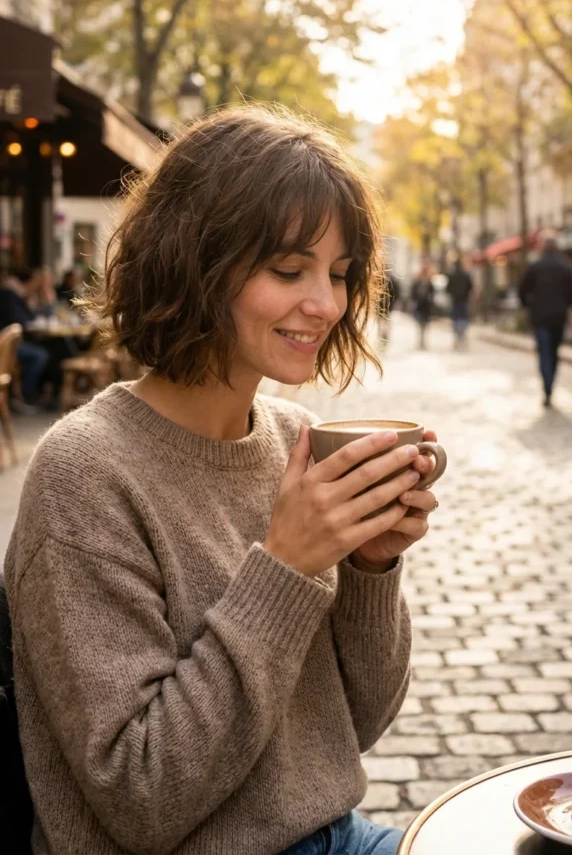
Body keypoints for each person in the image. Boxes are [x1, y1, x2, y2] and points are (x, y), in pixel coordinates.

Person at [5, 108, 441, 855]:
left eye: (339, 275)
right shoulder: (85, 474)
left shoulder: (286, 442)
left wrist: (370, 566)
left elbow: (353, 726)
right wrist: (286, 566)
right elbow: (140, 797)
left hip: (334, 835)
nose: (328, 305)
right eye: (288, 269)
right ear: (195, 260)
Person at [519, 230, 572, 407]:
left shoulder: (535, 266)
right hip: (558, 316)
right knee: (554, 352)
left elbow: (523, 290)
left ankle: (547, 386)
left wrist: (527, 306)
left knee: (544, 353)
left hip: (540, 317)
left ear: (543, 246)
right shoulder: (565, 266)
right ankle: (550, 385)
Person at [0, 273, 49, 405]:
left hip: (18, 341)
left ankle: (37, 393)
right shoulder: (9, 295)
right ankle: (24, 396)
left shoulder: (24, 297)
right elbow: (21, 320)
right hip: (8, 346)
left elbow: (32, 317)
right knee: (40, 355)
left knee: (46, 350)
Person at [446, 257, 473, 349]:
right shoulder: (466, 275)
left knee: (456, 319)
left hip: (455, 301)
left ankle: (458, 337)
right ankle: (462, 335)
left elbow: (448, 288)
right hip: (464, 300)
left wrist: (453, 294)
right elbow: (470, 286)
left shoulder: (451, 276)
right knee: (463, 319)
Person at [410, 262, 434, 350]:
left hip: (426, 307)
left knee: (425, 325)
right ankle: (420, 341)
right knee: (419, 324)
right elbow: (413, 294)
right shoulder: (416, 284)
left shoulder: (430, 284)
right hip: (419, 307)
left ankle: (423, 341)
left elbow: (432, 294)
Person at [377, 270, 401, 349]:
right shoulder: (378, 280)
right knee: (380, 324)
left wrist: (392, 304)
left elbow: (396, 294)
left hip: (388, 307)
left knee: (385, 324)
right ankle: (381, 338)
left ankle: (385, 339)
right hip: (379, 307)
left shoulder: (392, 281)